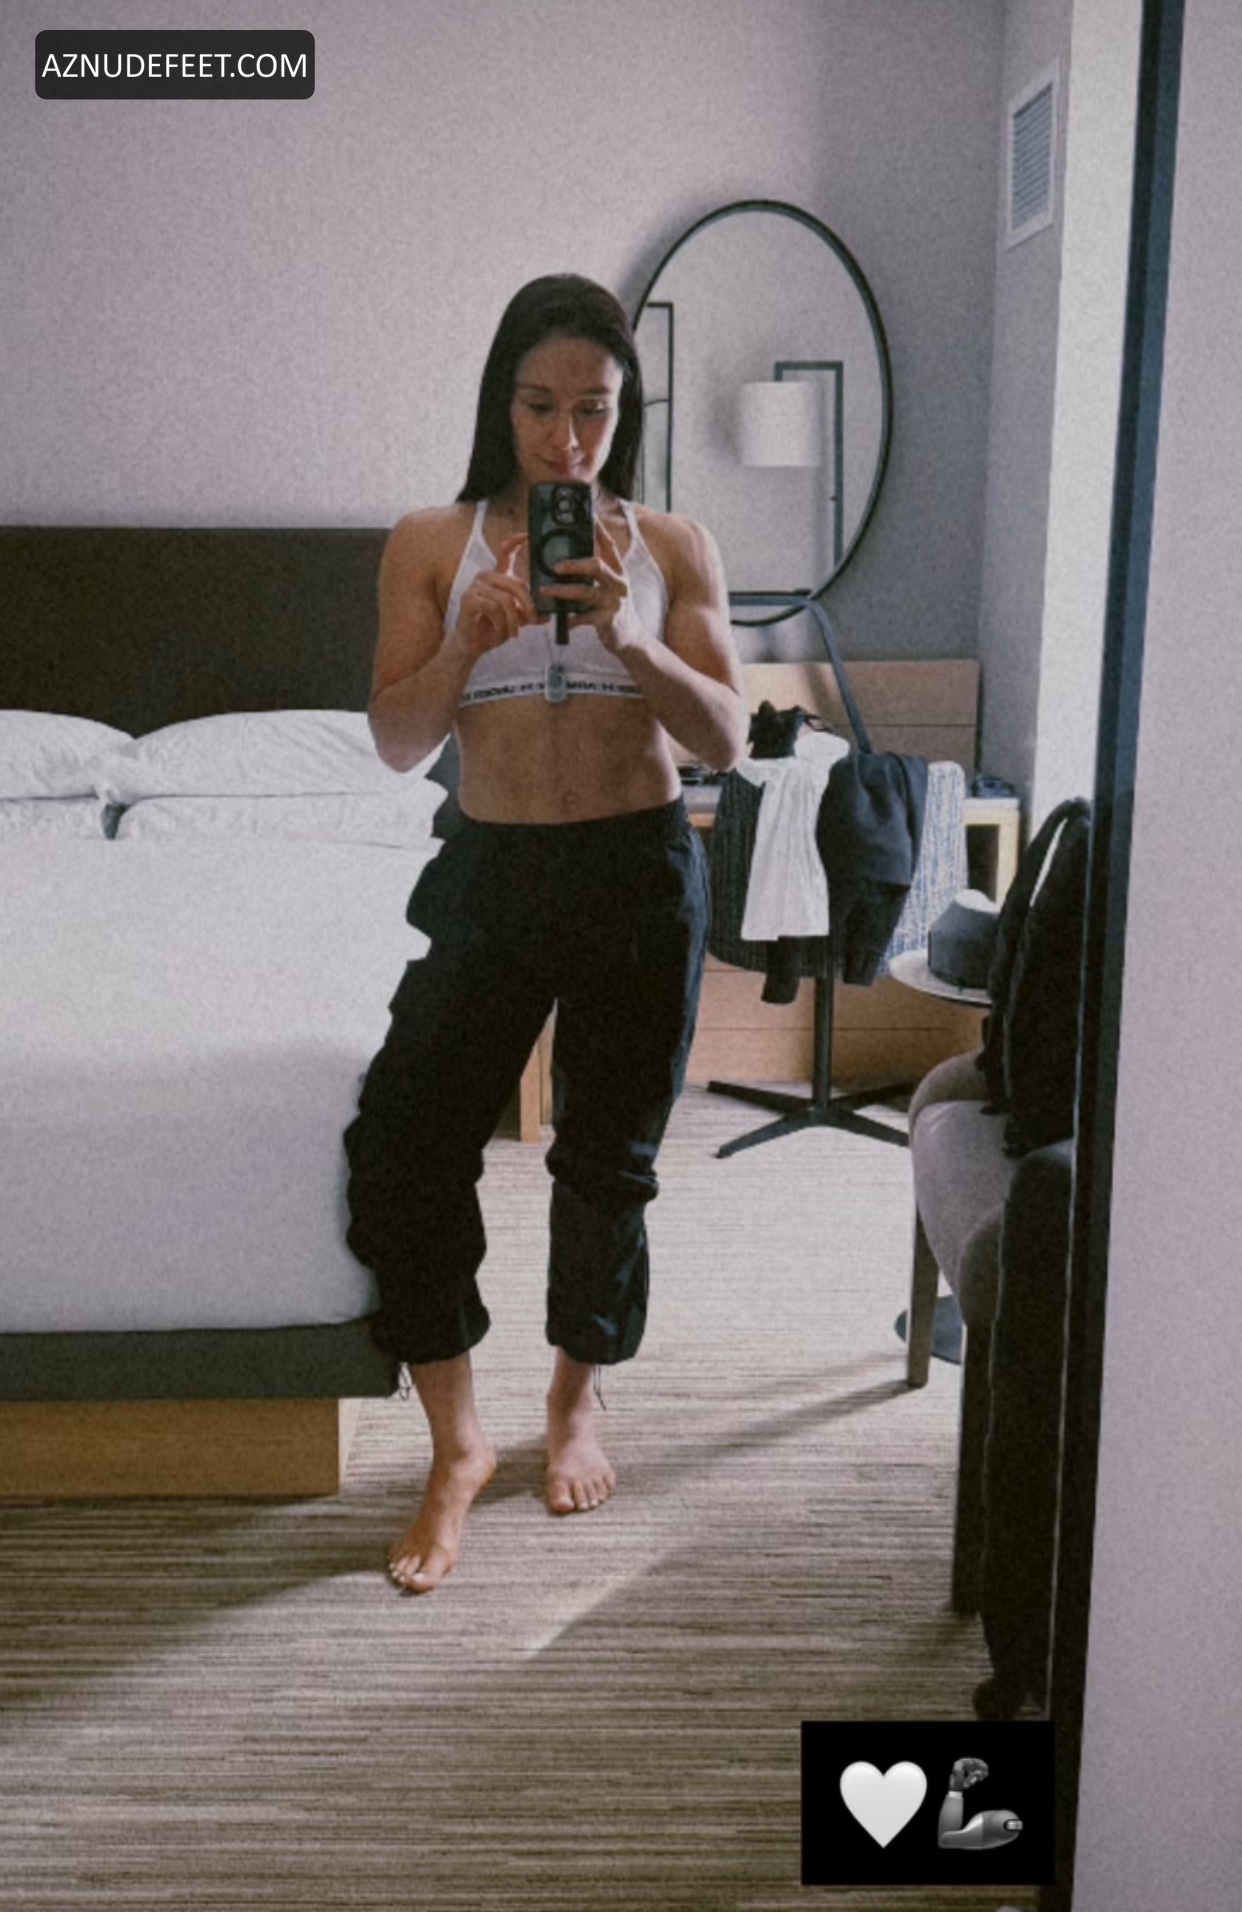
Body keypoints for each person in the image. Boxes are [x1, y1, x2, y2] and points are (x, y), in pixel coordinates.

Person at [343, 274, 748, 1594]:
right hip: (493, 871)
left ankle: (575, 1402)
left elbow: (726, 739)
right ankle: (457, 1443)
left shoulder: (671, 545)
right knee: (404, 1141)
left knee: (605, 1160)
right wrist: (464, 650)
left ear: (626, 413)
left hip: (638, 869)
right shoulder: (429, 542)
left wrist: (627, 633)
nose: (567, 440)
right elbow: (397, 742)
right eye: (539, 406)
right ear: (499, 404)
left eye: (594, 410)